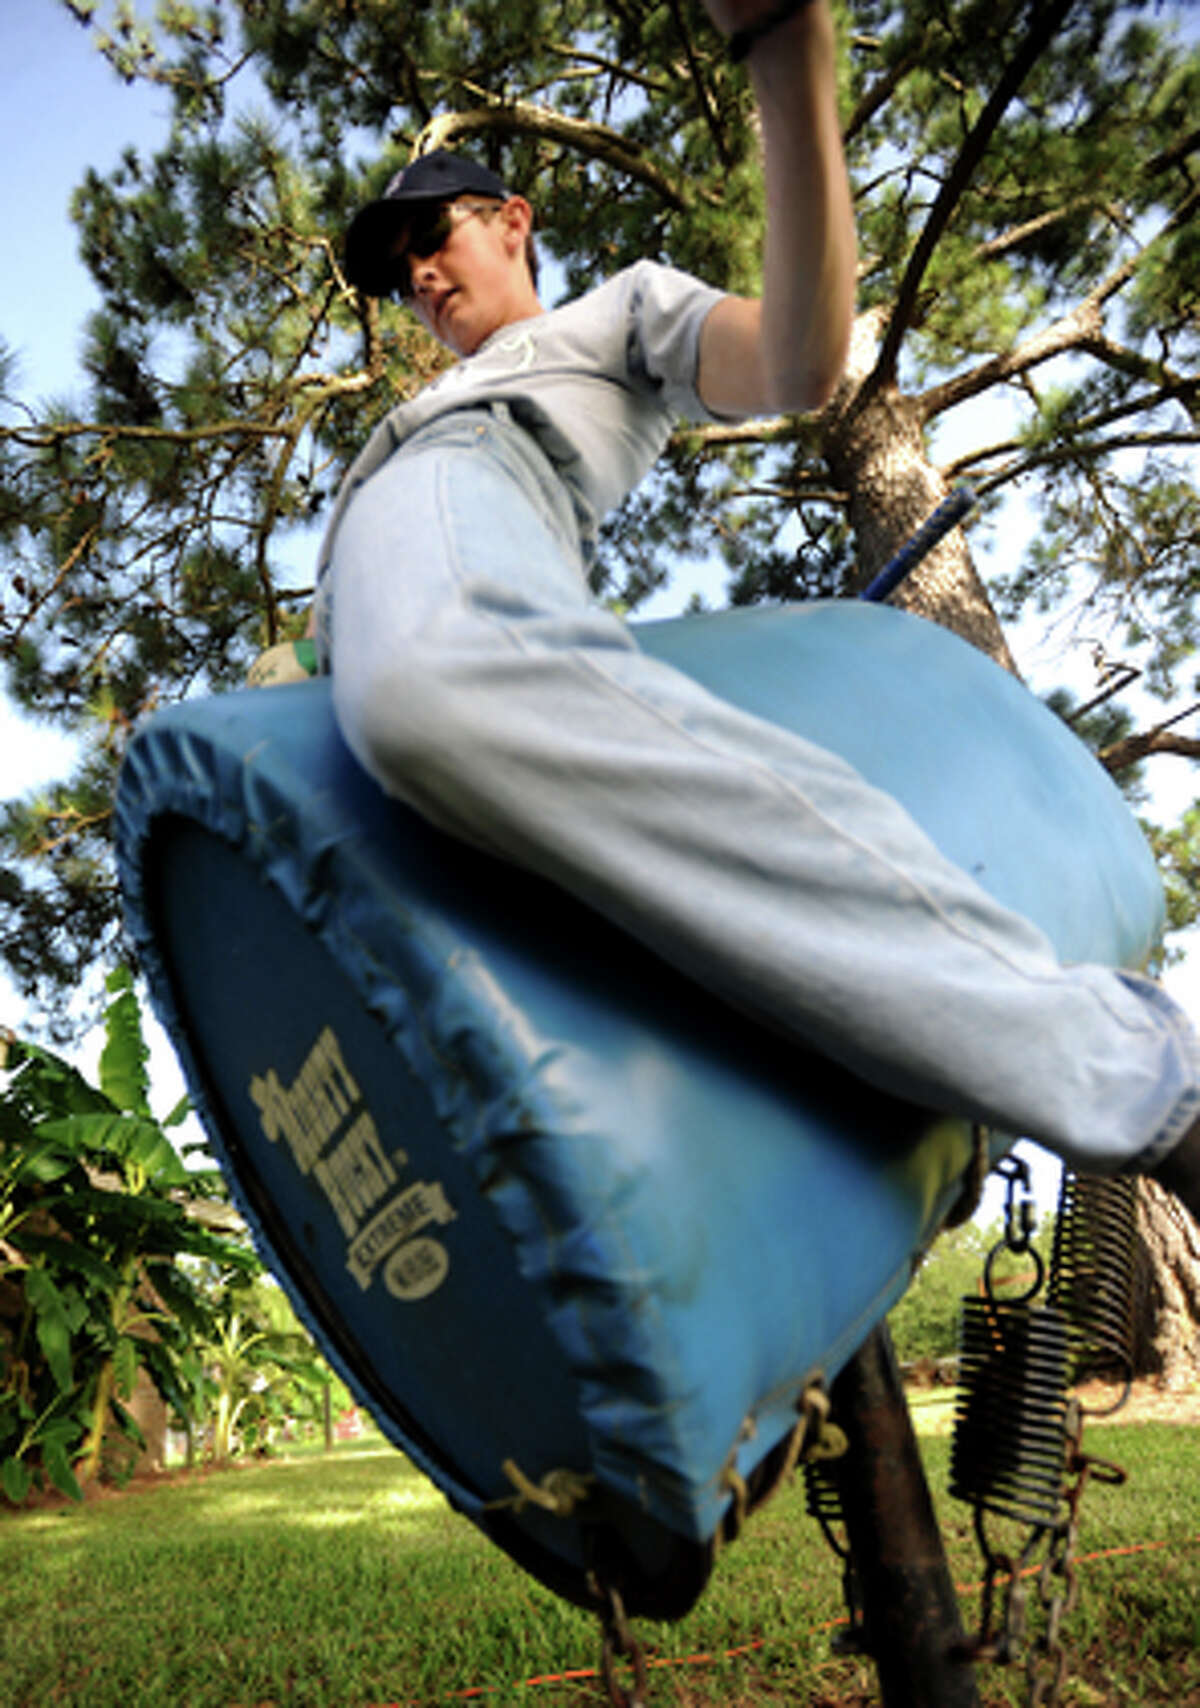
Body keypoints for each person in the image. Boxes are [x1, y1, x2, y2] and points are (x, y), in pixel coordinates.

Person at [310, 0, 1200, 1219]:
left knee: (438, 683)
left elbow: (797, 358)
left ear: (514, 221)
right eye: (396, 268)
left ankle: (1139, 1078)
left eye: (433, 233)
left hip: (477, 493)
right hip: (373, 621)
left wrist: (787, 56)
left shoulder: (608, 318)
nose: (417, 273)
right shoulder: (417, 422)